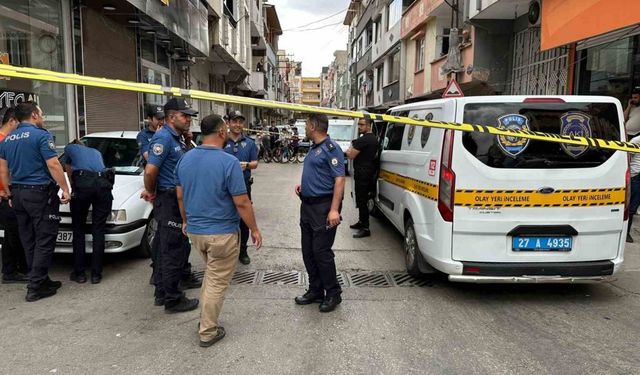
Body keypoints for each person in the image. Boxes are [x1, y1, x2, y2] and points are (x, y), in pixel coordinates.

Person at [176, 114, 263, 347]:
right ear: (222, 132)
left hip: (196, 232)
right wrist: (254, 229)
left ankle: (206, 319)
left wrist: (186, 221)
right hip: (221, 233)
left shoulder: (185, 159)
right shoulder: (228, 162)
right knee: (216, 282)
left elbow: (180, 195)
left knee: (211, 276)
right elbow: (242, 202)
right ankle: (208, 331)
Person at [0, 101, 71, 302]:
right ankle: (36, 286)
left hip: (19, 194)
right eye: (41, 113)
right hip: (39, 194)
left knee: (29, 240)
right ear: (33, 115)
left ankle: (40, 279)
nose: (43, 117)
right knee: (45, 239)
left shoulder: (7, 140)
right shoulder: (41, 136)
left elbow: (3, 171)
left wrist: (8, 193)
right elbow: (54, 165)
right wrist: (65, 189)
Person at [141, 98, 200, 313]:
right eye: (185, 115)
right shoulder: (163, 138)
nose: (189, 119)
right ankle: (172, 298)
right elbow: (150, 170)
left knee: (167, 246)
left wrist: (187, 140)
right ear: (171, 116)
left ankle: (162, 292)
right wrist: (151, 191)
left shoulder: (177, 138)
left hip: (173, 198)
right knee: (172, 249)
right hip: (168, 199)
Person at [294, 113, 345, 313]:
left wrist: (334, 210)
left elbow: (339, 180)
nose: (305, 128)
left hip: (324, 207)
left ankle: (333, 293)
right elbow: (319, 174)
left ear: (314, 126)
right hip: (307, 206)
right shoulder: (315, 148)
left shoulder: (331, 149)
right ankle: (316, 289)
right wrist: (304, 187)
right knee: (308, 252)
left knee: (321, 252)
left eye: (306, 125)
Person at [64, 139, 114, 284]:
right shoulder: (96, 152)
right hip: (104, 185)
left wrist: (73, 187)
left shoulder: (69, 148)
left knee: (78, 229)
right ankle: (96, 274)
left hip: (84, 184)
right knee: (99, 230)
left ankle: (79, 273)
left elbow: (68, 169)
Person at [224, 110, 258, 265]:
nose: (238, 125)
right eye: (234, 121)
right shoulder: (222, 140)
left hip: (244, 186)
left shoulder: (249, 143)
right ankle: (226, 251)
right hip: (223, 187)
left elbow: (255, 163)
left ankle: (243, 250)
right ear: (228, 123)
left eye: (240, 122)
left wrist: (247, 165)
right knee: (225, 218)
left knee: (244, 219)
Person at [0, 107, 28, 284]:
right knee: (13, 233)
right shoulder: (2, 141)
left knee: (11, 233)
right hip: (4, 196)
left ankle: (13, 270)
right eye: (19, 122)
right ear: (12, 121)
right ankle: (11, 272)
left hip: (7, 193)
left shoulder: (7, 140)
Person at [346, 118, 378, 238]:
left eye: (362, 124)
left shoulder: (363, 140)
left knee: (361, 201)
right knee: (362, 199)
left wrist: (350, 149)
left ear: (369, 126)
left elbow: (351, 155)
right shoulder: (374, 139)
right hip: (368, 172)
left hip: (362, 174)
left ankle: (365, 228)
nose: (359, 126)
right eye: (358, 124)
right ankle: (361, 222)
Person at [627, 134, 640, 243]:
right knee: (631, 206)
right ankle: (626, 233)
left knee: (634, 206)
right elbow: (628, 158)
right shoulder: (636, 140)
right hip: (635, 176)